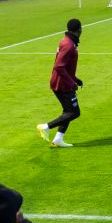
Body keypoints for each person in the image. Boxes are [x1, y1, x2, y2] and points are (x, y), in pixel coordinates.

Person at [36, 19, 83, 148]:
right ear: (79, 29)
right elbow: (59, 66)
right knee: (74, 112)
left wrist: (75, 79)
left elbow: (65, 66)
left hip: (63, 81)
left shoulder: (67, 41)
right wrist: (71, 82)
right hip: (61, 84)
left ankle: (58, 140)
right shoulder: (68, 45)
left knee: (67, 111)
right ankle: (46, 127)